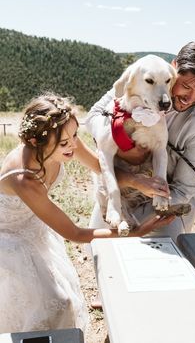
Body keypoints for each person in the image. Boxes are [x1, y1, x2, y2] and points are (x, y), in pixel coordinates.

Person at [0, 93, 174, 334]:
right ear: (34, 140)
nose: (73, 144)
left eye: (75, 135)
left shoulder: (62, 133)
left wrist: (136, 182)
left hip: (33, 227)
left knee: (55, 302)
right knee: (45, 305)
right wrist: (134, 232)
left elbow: (99, 167)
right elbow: (76, 232)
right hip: (9, 240)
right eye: (64, 143)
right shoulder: (24, 180)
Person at [85, 41, 195, 243]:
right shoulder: (141, 81)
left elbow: (184, 189)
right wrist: (119, 140)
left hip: (168, 203)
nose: (190, 98)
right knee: (104, 257)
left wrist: (144, 216)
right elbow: (92, 118)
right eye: (185, 86)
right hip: (119, 188)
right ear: (173, 68)